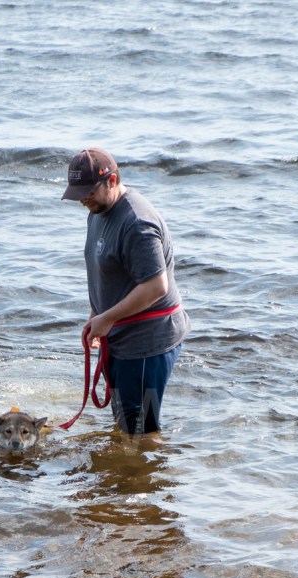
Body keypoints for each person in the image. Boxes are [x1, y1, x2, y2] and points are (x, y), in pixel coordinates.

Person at [62, 148, 190, 436]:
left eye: (88, 192)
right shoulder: (99, 210)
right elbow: (108, 270)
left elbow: (157, 286)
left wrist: (107, 319)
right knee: (125, 421)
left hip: (147, 343)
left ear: (112, 180)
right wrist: (97, 315)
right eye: (77, 193)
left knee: (141, 428)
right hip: (118, 334)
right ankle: (124, 477)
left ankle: (146, 478)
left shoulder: (137, 223)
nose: (82, 199)